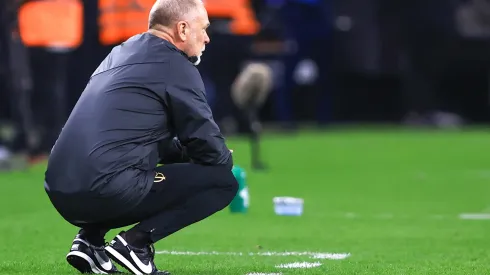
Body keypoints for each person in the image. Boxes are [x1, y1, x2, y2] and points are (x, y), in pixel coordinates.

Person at [44, 0, 238, 274]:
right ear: (182, 29)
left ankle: (89, 240)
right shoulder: (176, 66)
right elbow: (204, 140)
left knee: (130, 166)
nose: (206, 37)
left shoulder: (121, 52)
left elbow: (141, 137)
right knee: (222, 182)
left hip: (59, 186)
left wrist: (184, 155)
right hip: (104, 187)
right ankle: (134, 244)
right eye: (203, 28)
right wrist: (222, 158)